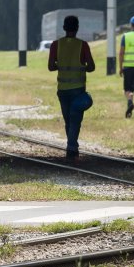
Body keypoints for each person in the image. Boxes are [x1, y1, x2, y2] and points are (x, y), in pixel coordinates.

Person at [48, 15, 96, 160]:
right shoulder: (83, 45)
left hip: (62, 90)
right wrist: (82, 68)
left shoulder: (56, 45)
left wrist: (61, 66)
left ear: (64, 28)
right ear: (77, 28)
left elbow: (50, 67)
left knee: (69, 121)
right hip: (78, 89)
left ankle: (72, 148)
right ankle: (72, 148)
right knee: (75, 120)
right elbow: (92, 67)